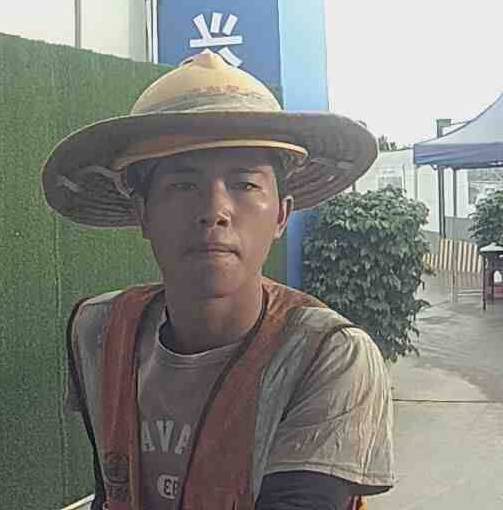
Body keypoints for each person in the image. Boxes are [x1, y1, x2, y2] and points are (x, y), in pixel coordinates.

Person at [42, 51, 395, 510]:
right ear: (143, 212)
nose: (215, 211)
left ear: (281, 214)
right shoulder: (101, 331)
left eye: (245, 184)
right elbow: (114, 488)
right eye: (182, 185)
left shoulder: (328, 353)